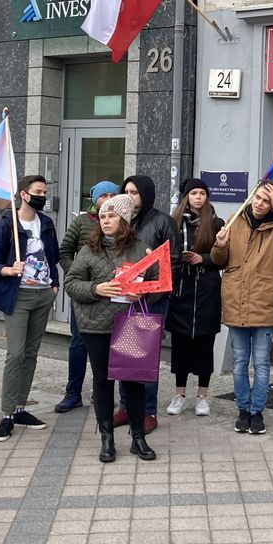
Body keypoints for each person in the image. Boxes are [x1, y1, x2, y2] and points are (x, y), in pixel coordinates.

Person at [64, 194, 157, 462]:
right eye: (103, 216)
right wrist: (96, 288)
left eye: (112, 216)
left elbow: (156, 284)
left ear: (124, 220)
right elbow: (71, 283)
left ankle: (138, 438)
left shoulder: (141, 249)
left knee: (133, 382)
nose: (105, 221)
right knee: (103, 382)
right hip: (96, 325)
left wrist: (141, 293)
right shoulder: (89, 249)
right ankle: (107, 439)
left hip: (129, 323)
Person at [211, 180, 273, 435]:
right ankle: (242, 409)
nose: (260, 204)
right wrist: (220, 244)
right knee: (239, 362)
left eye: (267, 201)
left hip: (263, 301)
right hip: (237, 299)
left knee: (261, 363)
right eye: (258, 198)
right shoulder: (235, 219)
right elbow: (219, 261)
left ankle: (256, 412)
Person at [0, 174, 58, 442]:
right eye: (38, 191)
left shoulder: (46, 223)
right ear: (24, 194)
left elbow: (53, 256)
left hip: (42, 294)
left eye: (45, 191)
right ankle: (6, 414)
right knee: (15, 354)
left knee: (30, 353)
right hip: (18, 295)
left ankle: (20, 408)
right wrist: (7, 269)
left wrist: (54, 285)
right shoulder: (6, 224)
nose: (43, 196)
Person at [116, 174, 178, 432]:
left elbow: (173, 262)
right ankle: (125, 408)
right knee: (124, 352)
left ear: (145, 194)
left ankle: (148, 411)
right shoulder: (121, 221)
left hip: (151, 299)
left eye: (134, 192)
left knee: (146, 355)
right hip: (123, 297)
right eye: (126, 191)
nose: (129, 197)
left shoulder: (162, 221)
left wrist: (152, 294)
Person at [55, 179, 119, 413]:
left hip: (112, 298)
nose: (108, 200)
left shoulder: (122, 224)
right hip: (85, 296)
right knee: (79, 344)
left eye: (113, 195)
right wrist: (76, 275)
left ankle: (101, 392)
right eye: (104, 196)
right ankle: (73, 392)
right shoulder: (82, 221)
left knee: (109, 348)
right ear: (95, 200)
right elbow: (64, 250)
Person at [165, 178, 224, 417]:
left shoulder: (217, 222)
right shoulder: (174, 222)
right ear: (186, 197)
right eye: (194, 193)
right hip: (182, 289)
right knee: (180, 345)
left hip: (207, 288)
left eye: (202, 193)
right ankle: (179, 394)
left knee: (204, 345)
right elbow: (167, 252)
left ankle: (202, 396)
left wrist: (205, 259)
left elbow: (224, 256)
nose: (198, 197)